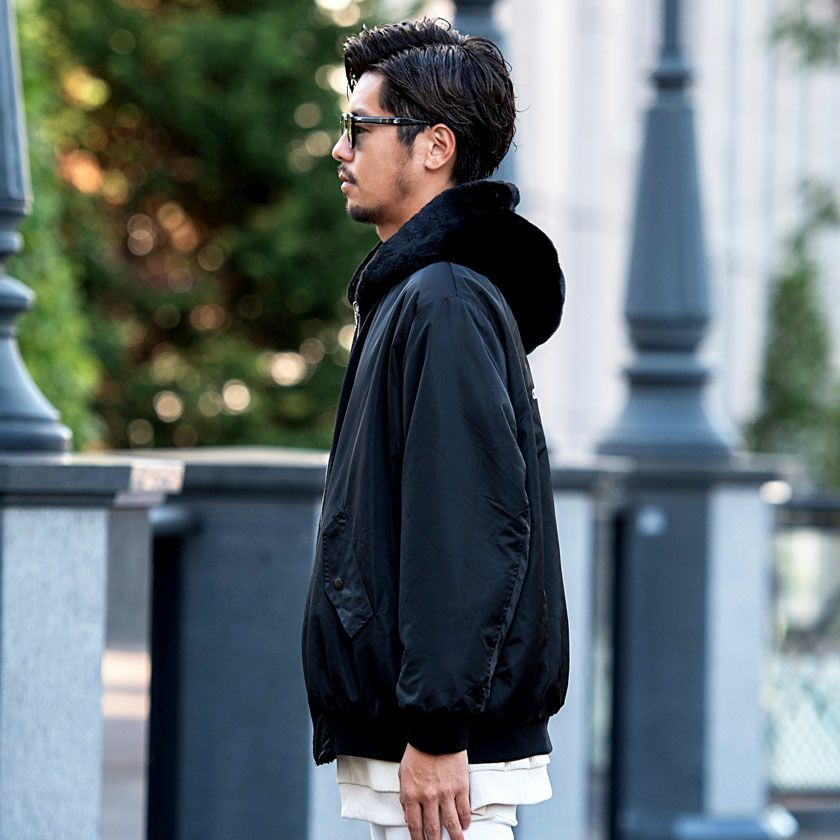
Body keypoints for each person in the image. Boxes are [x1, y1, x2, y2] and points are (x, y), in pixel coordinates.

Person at [300, 16, 570, 840]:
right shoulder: (418, 296)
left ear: (435, 146)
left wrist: (440, 730)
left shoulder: (443, 302)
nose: (340, 149)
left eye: (359, 127)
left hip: (445, 763)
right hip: (426, 748)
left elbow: (466, 526)